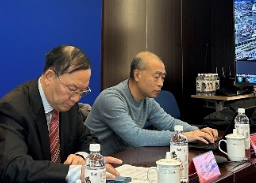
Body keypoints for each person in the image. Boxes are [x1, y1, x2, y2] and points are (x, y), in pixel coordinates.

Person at [0, 45, 121, 183]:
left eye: (82, 91)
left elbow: (87, 139)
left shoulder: (67, 104)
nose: (76, 98)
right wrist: (75, 172)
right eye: (72, 89)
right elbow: (14, 166)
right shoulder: (12, 108)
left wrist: (81, 156)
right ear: (49, 76)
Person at [85, 52, 218, 156]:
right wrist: (182, 137)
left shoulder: (146, 100)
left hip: (127, 159)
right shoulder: (111, 98)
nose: (160, 83)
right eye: (156, 77)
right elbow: (136, 137)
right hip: (97, 165)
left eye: (163, 77)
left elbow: (169, 123)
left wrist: (197, 131)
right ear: (137, 75)